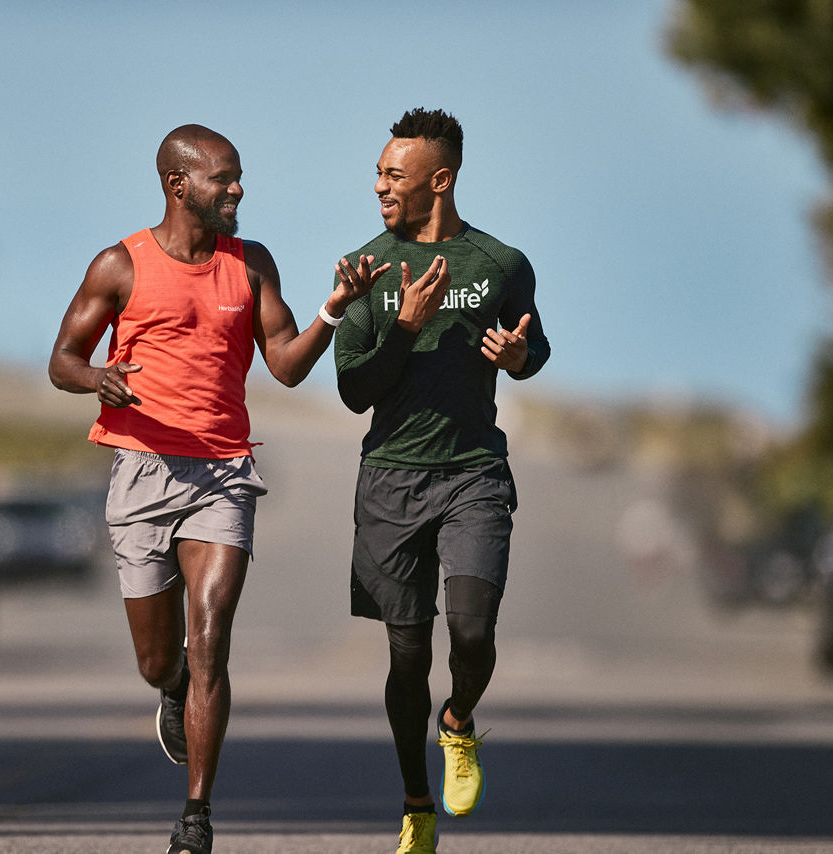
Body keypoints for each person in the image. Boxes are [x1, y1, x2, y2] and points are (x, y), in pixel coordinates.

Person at [48, 124, 385, 854]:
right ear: (179, 186)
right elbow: (62, 359)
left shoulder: (250, 264)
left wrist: (334, 310)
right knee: (158, 660)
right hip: (141, 471)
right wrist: (96, 376)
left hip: (223, 475)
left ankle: (195, 816)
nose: (237, 190)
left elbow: (287, 365)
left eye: (239, 178)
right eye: (222, 179)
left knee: (211, 642)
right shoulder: (120, 265)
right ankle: (170, 689)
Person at [332, 108, 550, 854]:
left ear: (440, 180)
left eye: (394, 175)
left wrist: (519, 360)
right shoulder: (366, 267)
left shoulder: (501, 264)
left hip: (474, 473)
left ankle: (458, 721)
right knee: (406, 657)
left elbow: (536, 345)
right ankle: (416, 805)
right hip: (390, 480)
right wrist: (402, 326)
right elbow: (354, 392)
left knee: (472, 630)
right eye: (380, 173)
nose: (379, 186)